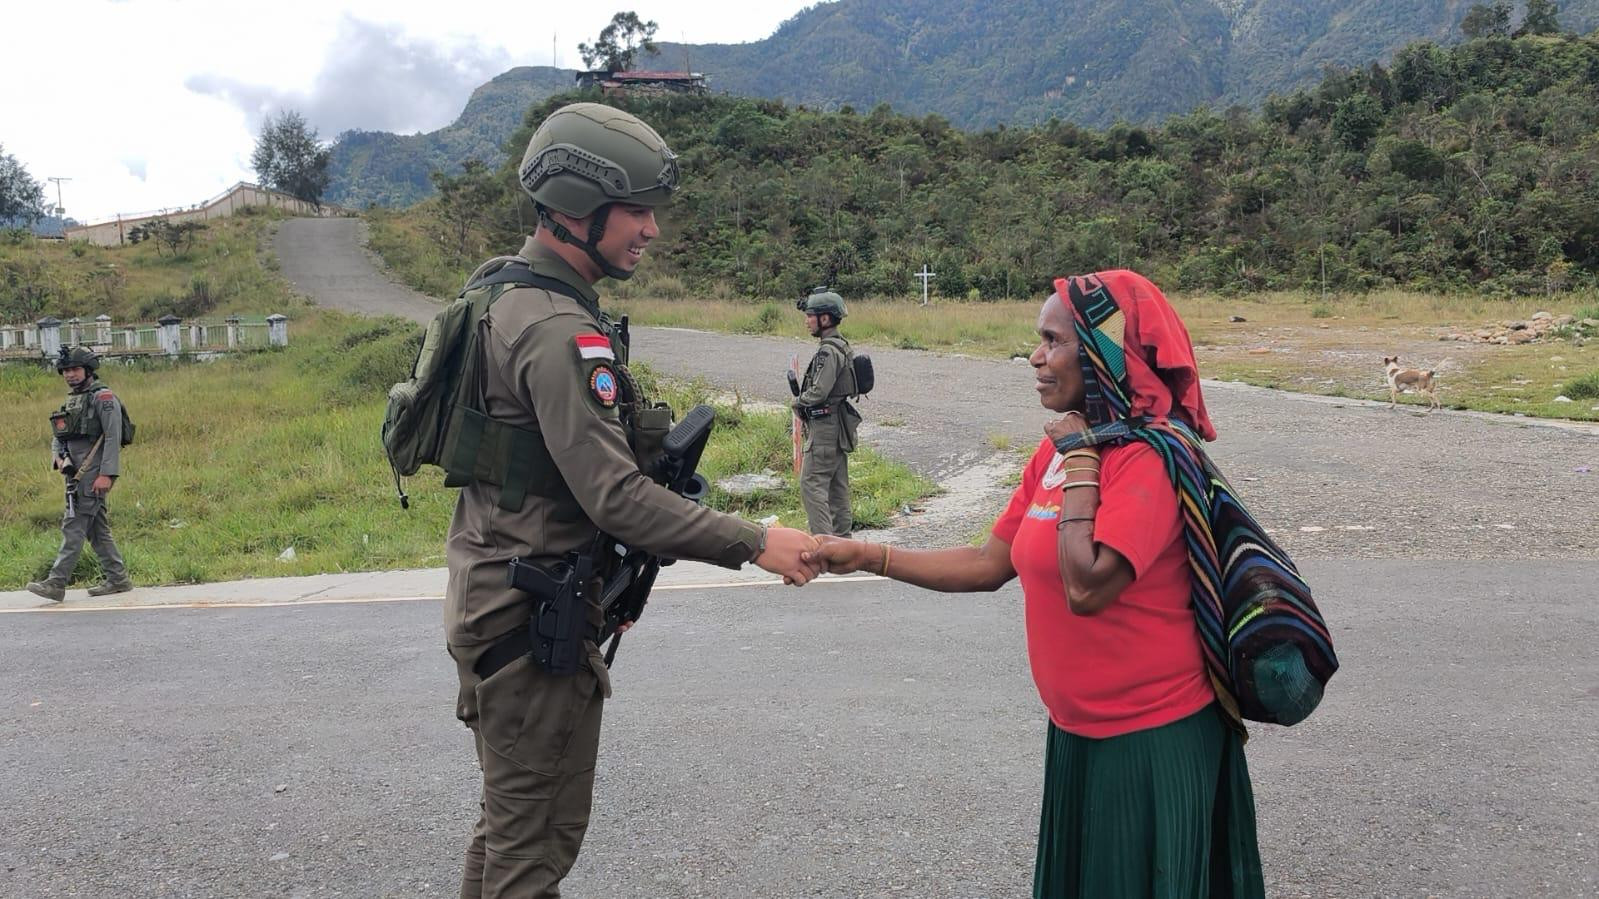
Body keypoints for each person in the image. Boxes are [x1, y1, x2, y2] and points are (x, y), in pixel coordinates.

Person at [443, 102, 822, 899]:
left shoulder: (501, 297)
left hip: (502, 594)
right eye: (637, 210)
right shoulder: (555, 329)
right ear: (577, 207)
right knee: (534, 846)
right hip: (529, 617)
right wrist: (755, 539)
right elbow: (614, 495)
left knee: (511, 827)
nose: (651, 229)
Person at [811, 270, 1266, 898]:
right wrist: (866, 555)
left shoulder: (1149, 458)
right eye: (1038, 340)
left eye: (1053, 341)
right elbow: (987, 564)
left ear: (1105, 354)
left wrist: (1082, 457)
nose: (1035, 357)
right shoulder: (1055, 453)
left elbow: (1087, 586)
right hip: (1078, 733)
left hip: (1150, 739)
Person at [27, 346, 131, 602]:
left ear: (88, 370)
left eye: (75, 369)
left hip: (92, 471)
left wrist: (107, 474)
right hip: (74, 472)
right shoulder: (72, 399)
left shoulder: (103, 398)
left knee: (73, 526)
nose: (69, 375)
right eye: (66, 370)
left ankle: (56, 582)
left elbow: (113, 438)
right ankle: (118, 578)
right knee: (97, 529)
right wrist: (59, 458)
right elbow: (59, 434)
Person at [792, 286, 862, 536]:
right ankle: (843, 544)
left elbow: (819, 391)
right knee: (836, 487)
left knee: (812, 485)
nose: (807, 321)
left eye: (811, 315)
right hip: (837, 424)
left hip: (824, 426)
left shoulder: (828, 351)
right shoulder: (841, 345)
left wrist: (799, 402)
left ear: (825, 318)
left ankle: (824, 546)